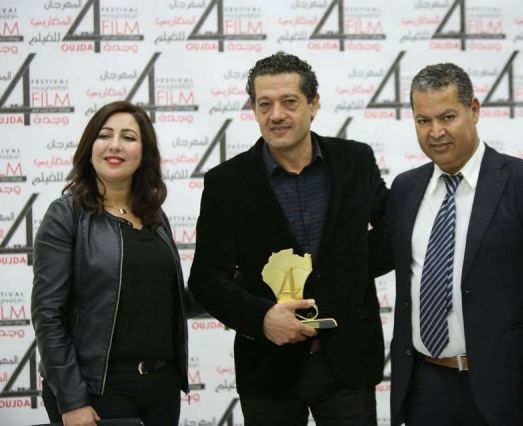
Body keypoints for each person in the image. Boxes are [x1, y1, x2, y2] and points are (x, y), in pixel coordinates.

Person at [188, 51, 390, 426]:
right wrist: (262, 318)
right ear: (253, 109)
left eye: (289, 102)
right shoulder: (226, 183)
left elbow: (392, 234)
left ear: (313, 104)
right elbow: (205, 280)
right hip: (268, 370)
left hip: (347, 363)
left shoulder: (355, 161)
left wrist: (349, 270)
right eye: (265, 104)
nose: (276, 114)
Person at [386, 63, 523, 426]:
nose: (436, 132)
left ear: (473, 110)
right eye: (423, 120)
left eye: (447, 117)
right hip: (424, 386)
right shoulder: (405, 189)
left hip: (505, 390)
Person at [32, 101, 192, 426]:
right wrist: (71, 400)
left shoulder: (154, 217)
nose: (115, 145)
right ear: (89, 147)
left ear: (144, 153)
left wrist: (229, 282)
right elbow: (48, 316)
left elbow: (168, 300)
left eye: (128, 137)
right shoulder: (65, 215)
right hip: (96, 390)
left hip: (161, 387)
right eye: (105, 135)